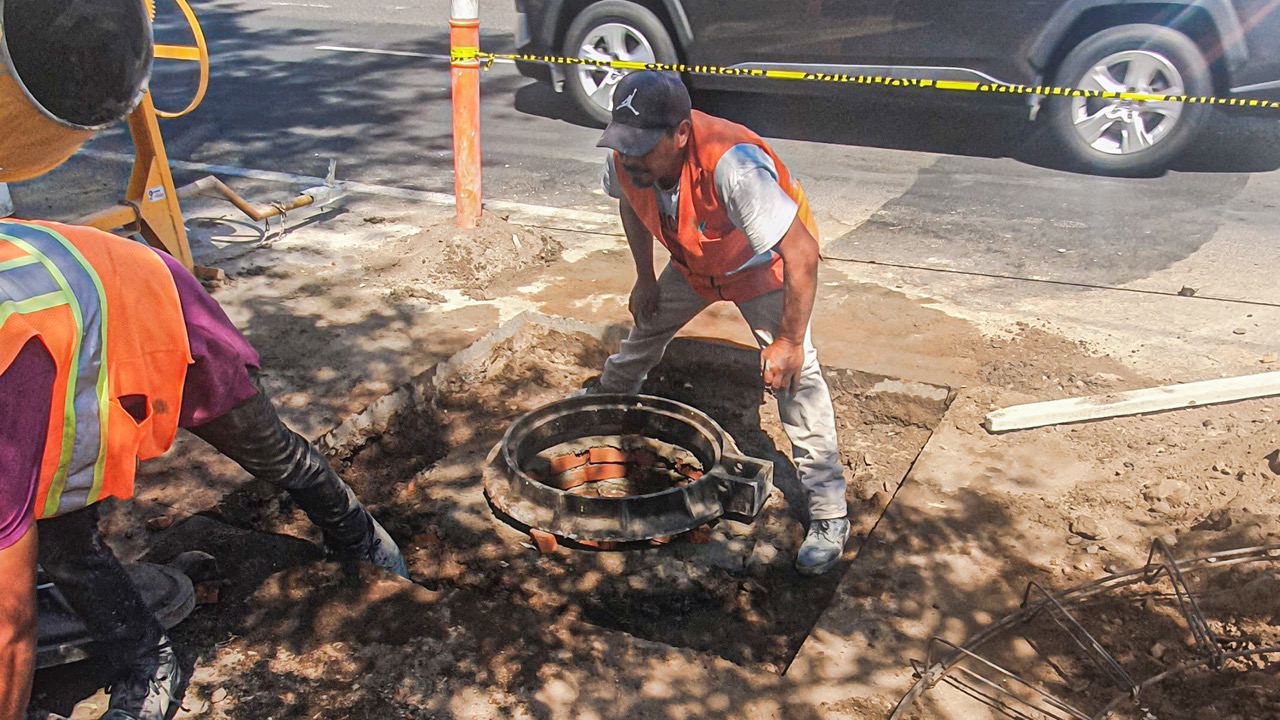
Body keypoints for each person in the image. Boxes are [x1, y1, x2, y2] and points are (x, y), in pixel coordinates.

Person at [0, 219, 407, 720]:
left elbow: (10, 630)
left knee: (264, 448)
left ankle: (357, 533)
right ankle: (145, 657)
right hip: (59, 340)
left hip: (149, 301)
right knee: (63, 538)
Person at [583, 70, 851, 577]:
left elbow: (802, 254)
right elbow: (631, 208)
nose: (630, 157)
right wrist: (646, 278)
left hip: (760, 268)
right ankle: (605, 400)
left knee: (796, 378)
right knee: (645, 331)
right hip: (694, 262)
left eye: (642, 145)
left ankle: (829, 511)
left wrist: (790, 340)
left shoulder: (734, 167)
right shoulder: (628, 161)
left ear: (681, 134)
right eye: (624, 143)